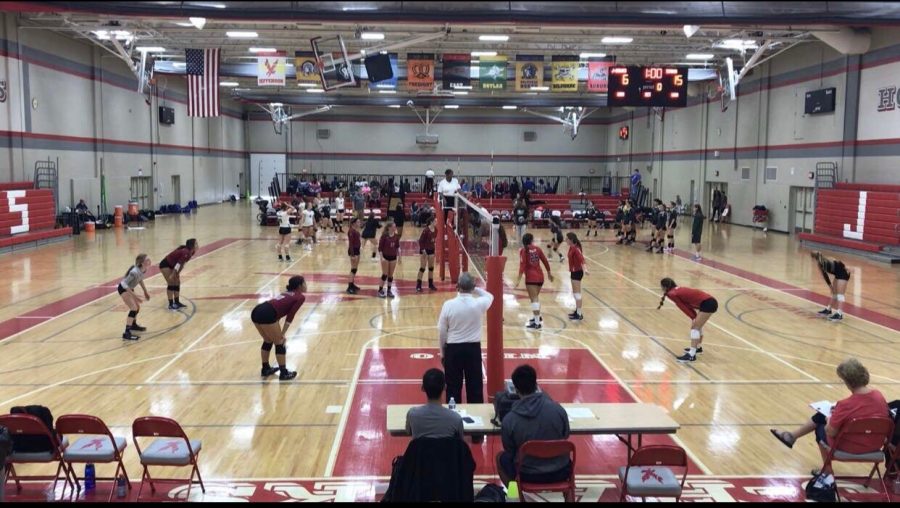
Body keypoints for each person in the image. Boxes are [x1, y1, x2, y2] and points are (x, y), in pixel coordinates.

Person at [769, 358, 888, 484]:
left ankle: (827, 471)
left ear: (847, 382)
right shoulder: (879, 396)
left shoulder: (845, 405)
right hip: (874, 446)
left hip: (848, 448)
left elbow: (830, 432)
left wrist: (829, 419)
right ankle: (792, 436)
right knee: (823, 416)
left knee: (821, 425)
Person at [496, 364, 571, 487]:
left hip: (527, 474)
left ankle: (515, 496)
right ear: (536, 385)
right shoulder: (558, 410)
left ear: (515, 389)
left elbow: (509, 449)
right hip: (561, 471)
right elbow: (565, 435)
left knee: (501, 458)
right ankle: (568, 497)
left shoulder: (509, 420)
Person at [438, 272, 494, 411]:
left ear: (457, 286)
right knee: (475, 387)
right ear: (473, 287)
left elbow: (442, 331)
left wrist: (442, 352)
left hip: (453, 350)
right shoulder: (479, 303)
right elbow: (490, 296)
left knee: (452, 387)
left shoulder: (448, 305)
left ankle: (453, 423)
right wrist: (475, 288)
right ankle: (477, 429)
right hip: (473, 350)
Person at [250, 275, 304, 381]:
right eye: (304, 283)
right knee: (280, 342)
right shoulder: (300, 297)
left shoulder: (285, 293)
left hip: (258, 310)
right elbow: (290, 316)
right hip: (267, 313)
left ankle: (265, 368)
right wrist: (282, 333)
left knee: (268, 340)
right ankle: (283, 373)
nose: (306, 285)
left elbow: (277, 312)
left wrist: (279, 332)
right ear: (299, 286)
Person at [658, 277, 717, 363]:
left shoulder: (672, 293)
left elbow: (683, 306)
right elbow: (687, 304)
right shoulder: (676, 290)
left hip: (708, 303)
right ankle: (697, 348)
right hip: (709, 301)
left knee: (695, 328)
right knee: (697, 326)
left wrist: (693, 317)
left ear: (665, 287)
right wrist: (694, 317)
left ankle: (691, 355)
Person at [405, 368, 465, 440]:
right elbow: (460, 440)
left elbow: (408, 431)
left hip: (421, 451)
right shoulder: (456, 418)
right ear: (445, 387)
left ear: (423, 388)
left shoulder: (412, 414)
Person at [515, 233, 553, 330]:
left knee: (534, 299)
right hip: (540, 277)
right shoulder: (538, 249)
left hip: (531, 278)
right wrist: (549, 273)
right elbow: (545, 261)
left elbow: (522, 266)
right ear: (532, 240)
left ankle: (537, 323)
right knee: (534, 298)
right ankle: (537, 317)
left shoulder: (524, 251)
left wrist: (518, 280)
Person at [118, 253, 152, 340]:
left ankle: (133, 325)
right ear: (142, 262)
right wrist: (135, 296)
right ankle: (126, 333)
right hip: (123, 288)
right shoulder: (134, 272)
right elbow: (124, 284)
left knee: (137, 307)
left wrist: (145, 292)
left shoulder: (143, 270)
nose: (149, 261)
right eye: (147, 260)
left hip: (129, 288)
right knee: (133, 308)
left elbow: (140, 279)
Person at [811, 251, 851, 322]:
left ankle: (839, 314)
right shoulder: (828, 259)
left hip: (843, 274)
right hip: (839, 273)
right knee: (835, 294)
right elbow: (840, 263)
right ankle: (828, 310)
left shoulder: (821, 263)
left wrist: (830, 286)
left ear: (814, 258)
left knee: (840, 295)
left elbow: (825, 276)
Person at [159, 238, 198, 311]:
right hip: (165, 264)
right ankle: (170, 304)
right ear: (191, 245)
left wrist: (177, 273)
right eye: (196, 243)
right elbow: (178, 263)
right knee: (171, 283)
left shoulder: (191, 252)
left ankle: (177, 302)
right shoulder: (186, 252)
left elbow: (182, 263)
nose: (197, 245)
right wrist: (173, 274)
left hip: (173, 265)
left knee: (177, 282)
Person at [377, 221, 400, 298]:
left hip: (393, 257)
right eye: (394, 226)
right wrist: (382, 257)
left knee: (390, 275)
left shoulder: (396, 236)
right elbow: (380, 248)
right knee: (385, 274)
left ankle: (389, 291)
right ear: (389, 227)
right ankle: (380, 290)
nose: (395, 228)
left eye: (395, 226)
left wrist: (399, 257)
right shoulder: (384, 236)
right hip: (385, 257)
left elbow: (397, 247)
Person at [565, 233, 585, 321]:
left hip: (577, 272)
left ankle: (579, 314)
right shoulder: (571, 247)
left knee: (577, 294)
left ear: (571, 239)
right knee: (575, 293)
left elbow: (582, 259)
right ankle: (577, 311)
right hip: (573, 272)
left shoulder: (576, 249)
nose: (565, 240)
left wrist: (586, 269)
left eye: (567, 239)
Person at [416, 217, 438, 292]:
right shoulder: (426, 230)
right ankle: (418, 285)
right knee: (422, 268)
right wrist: (423, 250)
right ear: (431, 222)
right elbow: (420, 241)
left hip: (431, 250)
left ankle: (431, 284)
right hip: (424, 251)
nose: (436, 222)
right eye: (435, 221)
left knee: (431, 268)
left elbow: (433, 240)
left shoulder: (436, 230)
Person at [346, 218, 362, 294]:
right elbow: (351, 244)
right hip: (353, 251)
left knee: (355, 269)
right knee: (353, 269)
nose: (359, 223)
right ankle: (349, 287)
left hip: (357, 250)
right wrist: (352, 255)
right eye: (358, 222)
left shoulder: (355, 230)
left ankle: (352, 284)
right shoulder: (351, 231)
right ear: (354, 223)